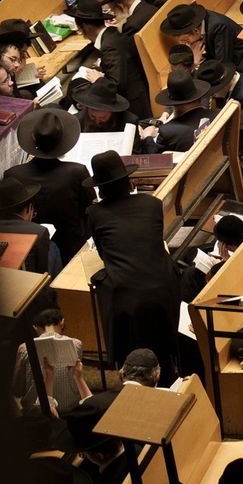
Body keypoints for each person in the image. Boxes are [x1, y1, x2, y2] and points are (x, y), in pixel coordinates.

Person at [83, 151, 180, 384]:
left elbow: (104, 254)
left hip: (126, 294)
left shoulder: (94, 213)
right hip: (163, 289)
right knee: (162, 348)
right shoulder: (152, 204)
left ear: (100, 188)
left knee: (109, 289)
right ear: (129, 181)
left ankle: (126, 376)